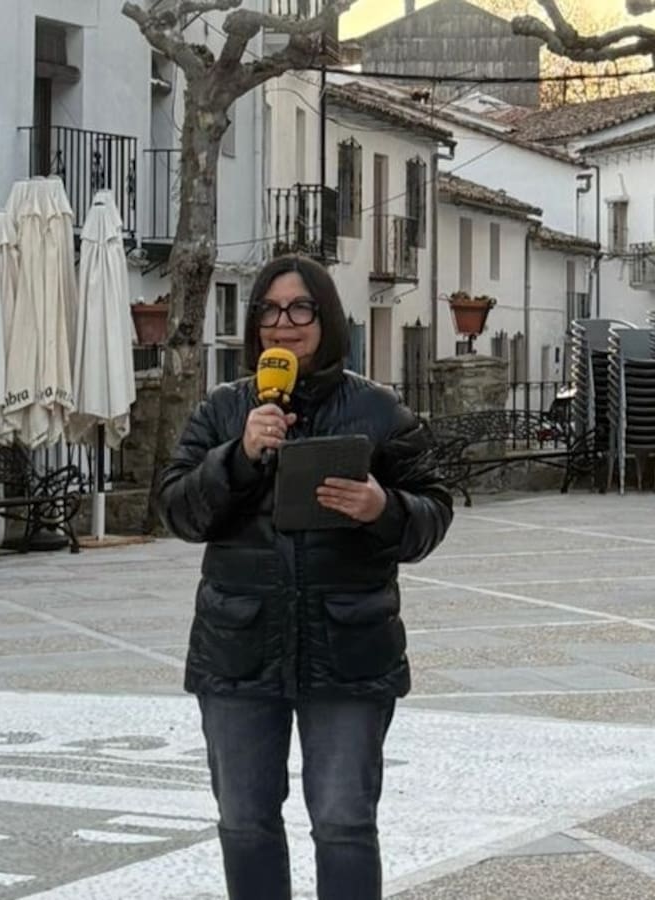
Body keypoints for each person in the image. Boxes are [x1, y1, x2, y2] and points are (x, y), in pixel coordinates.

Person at [155, 254, 453, 900]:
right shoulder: (223, 411)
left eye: (299, 310)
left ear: (326, 319)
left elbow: (434, 511)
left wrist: (385, 509)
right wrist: (237, 456)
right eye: (268, 310)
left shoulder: (380, 411)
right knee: (244, 821)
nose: (283, 324)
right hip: (239, 649)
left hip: (348, 650)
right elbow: (177, 510)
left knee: (345, 822)